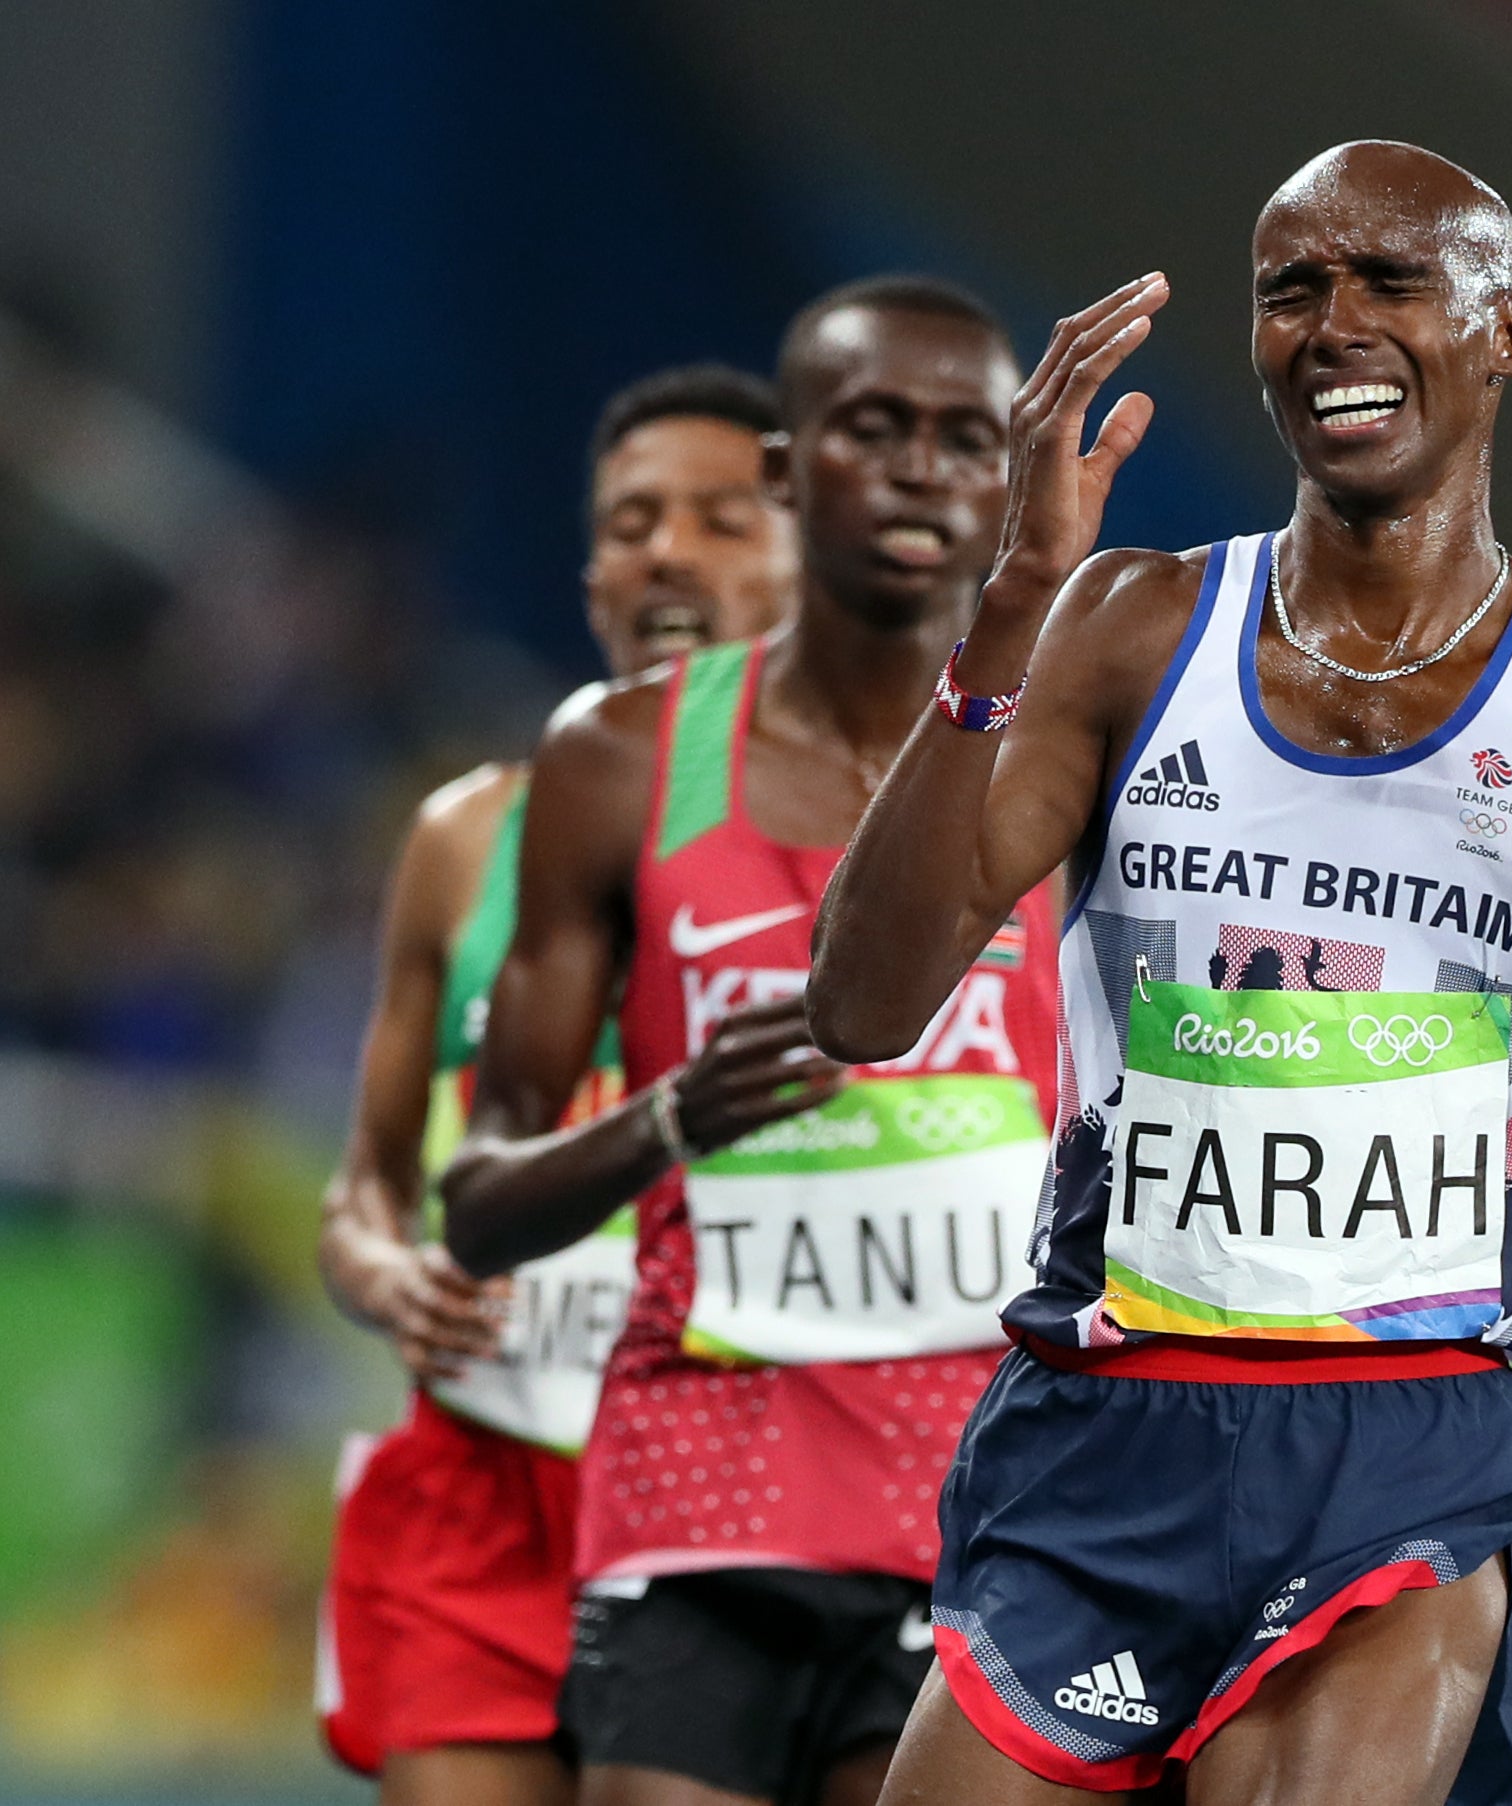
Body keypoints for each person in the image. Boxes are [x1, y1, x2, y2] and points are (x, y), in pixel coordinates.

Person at [804, 141, 1512, 1806]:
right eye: (1291, 290)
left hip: (1398, 1437)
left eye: (1392, 282)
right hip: (1100, 1428)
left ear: (1506, 333)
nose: (1335, 324)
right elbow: (862, 1006)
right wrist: (1006, 609)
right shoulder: (1124, 625)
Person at [440, 277, 1059, 1806]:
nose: (921, 470)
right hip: (700, 1495)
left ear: (1008, 480)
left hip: (984, 1501)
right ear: (786, 474)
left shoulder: (1070, 751)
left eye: (966, 439)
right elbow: (480, 1204)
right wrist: (663, 1118)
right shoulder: (619, 759)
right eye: (873, 428)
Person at [317, 362, 796, 1805]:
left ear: (806, 549)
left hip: (754, 1497)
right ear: (588, 567)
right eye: (631, 520)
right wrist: (385, 1271)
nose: (665, 550)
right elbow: (367, 1187)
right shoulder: (465, 838)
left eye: (720, 517)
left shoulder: (881, 837)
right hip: (492, 1491)